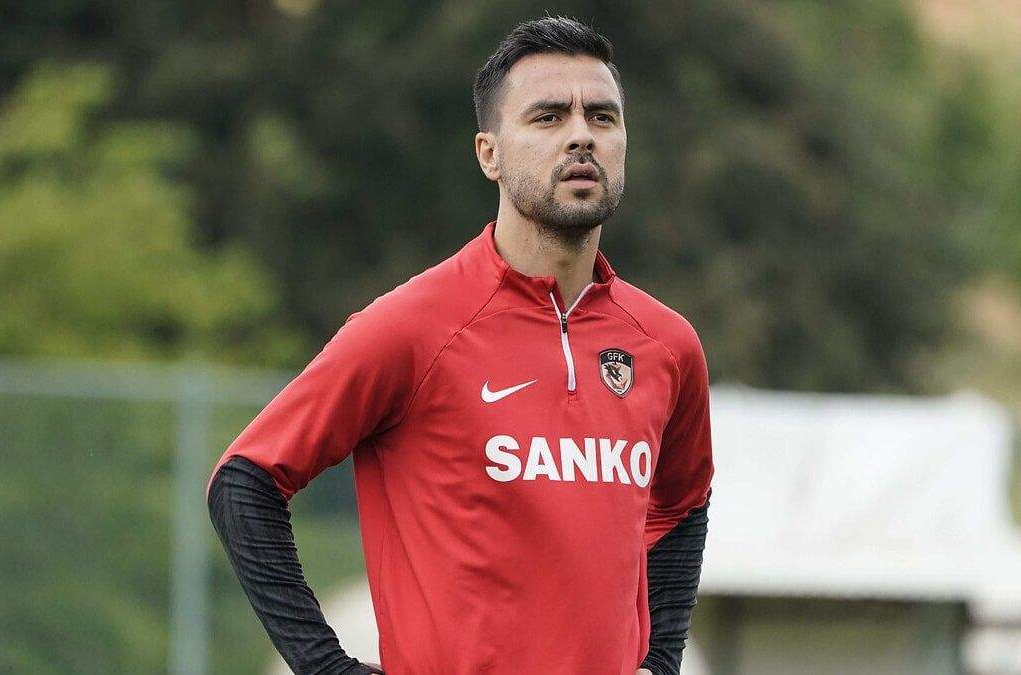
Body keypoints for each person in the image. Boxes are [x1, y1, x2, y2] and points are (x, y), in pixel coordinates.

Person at [206, 15, 713, 675]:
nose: (582, 135)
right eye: (548, 117)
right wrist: (327, 666)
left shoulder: (667, 345)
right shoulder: (412, 328)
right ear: (488, 154)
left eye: (602, 117)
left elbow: (682, 505)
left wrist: (662, 660)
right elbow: (243, 482)